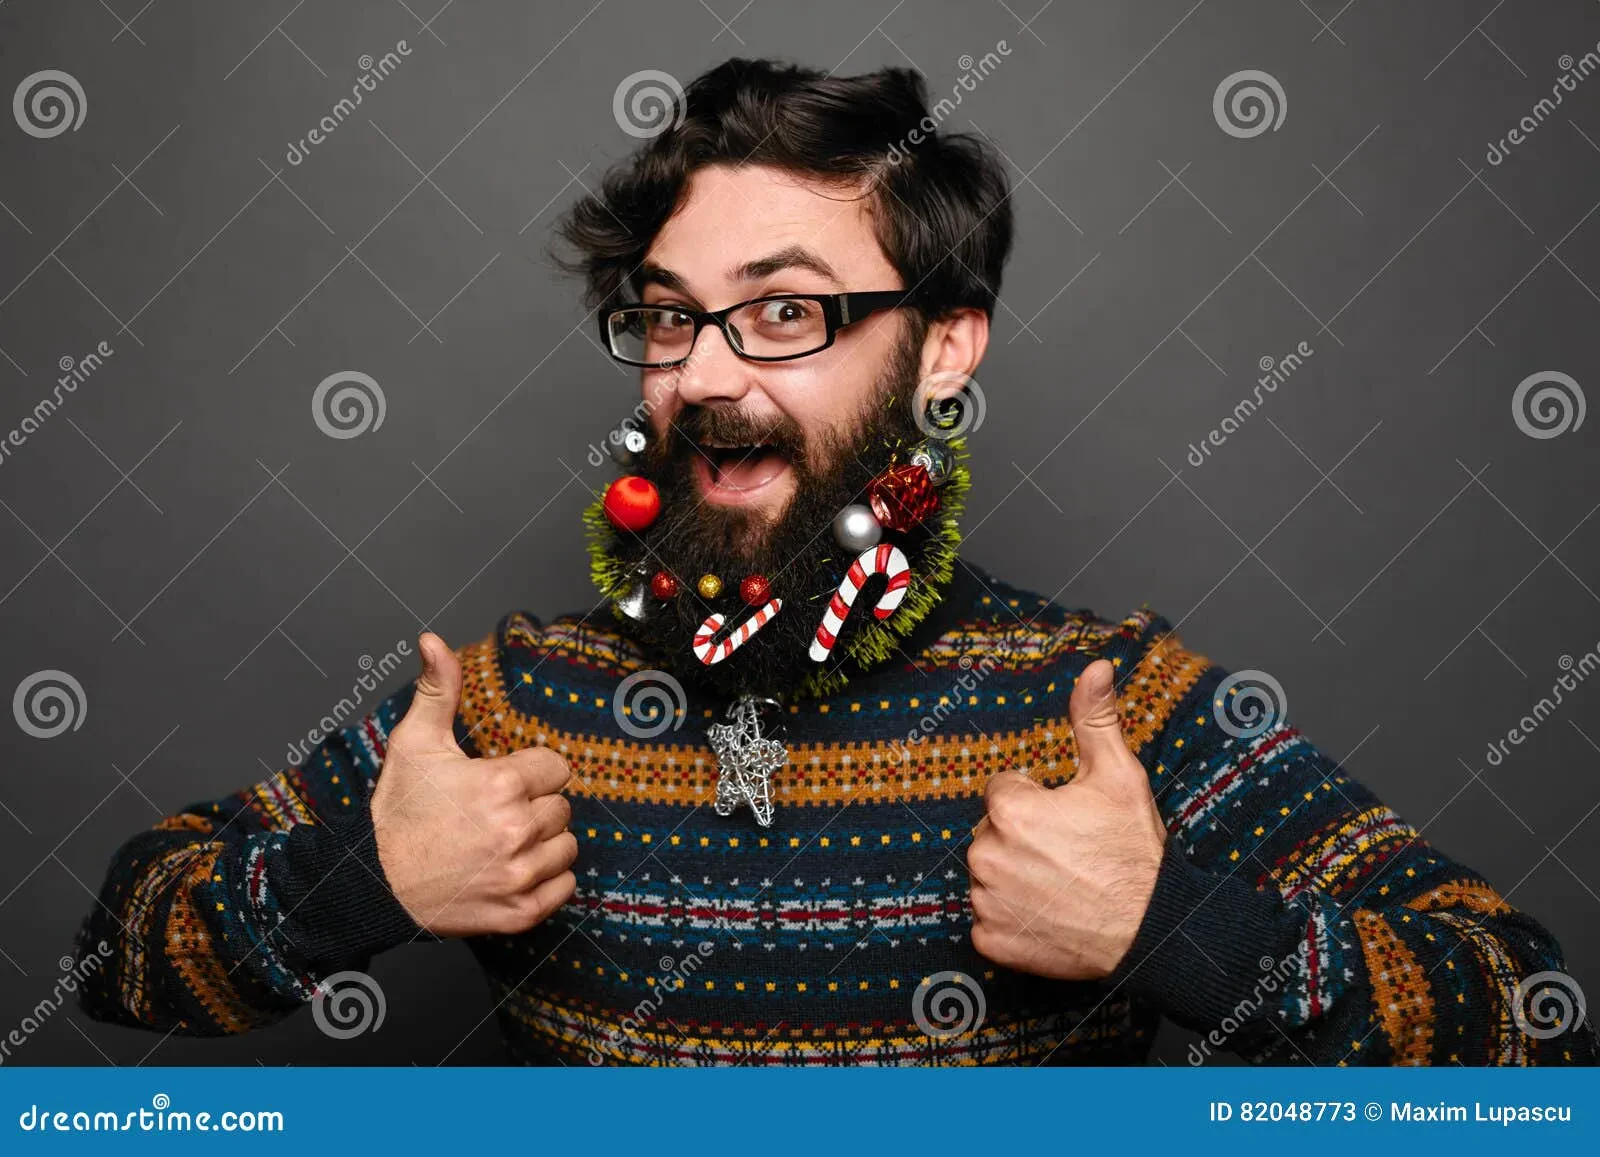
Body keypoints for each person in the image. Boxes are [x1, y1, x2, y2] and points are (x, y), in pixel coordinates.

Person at [75, 58, 1593, 1066]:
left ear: (943, 348)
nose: (706, 375)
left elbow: (1535, 1016)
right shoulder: (507, 706)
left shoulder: (1103, 711)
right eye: (668, 316)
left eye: (786, 311)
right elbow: (117, 948)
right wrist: (357, 888)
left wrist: (1171, 928)